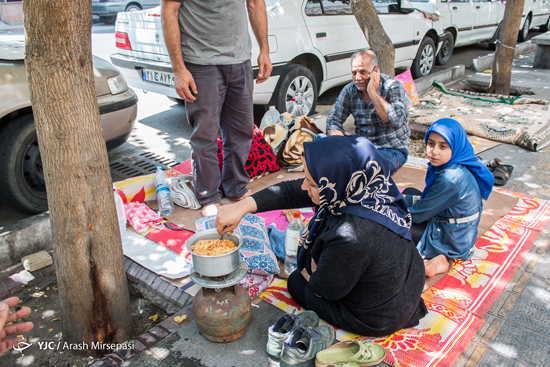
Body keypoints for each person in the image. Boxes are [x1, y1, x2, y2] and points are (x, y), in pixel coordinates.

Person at [216, 135, 427, 337]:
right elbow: (291, 191)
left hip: (378, 316)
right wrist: (243, 206)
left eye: (312, 183)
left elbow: (327, 290)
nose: (303, 186)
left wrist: (311, 274)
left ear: (335, 183)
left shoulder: (350, 235)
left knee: (296, 282)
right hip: (407, 282)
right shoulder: (373, 187)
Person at [161, 0, 273, 216]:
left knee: (241, 131)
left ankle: (235, 187)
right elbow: (169, 11)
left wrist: (264, 50)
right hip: (201, 63)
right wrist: (178, 69)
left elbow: (255, 3)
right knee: (205, 135)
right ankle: (209, 196)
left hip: (240, 60)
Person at [403, 118, 494, 277]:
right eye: (431, 144)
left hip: (451, 239)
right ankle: (437, 258)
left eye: (443, 146)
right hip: (457, 229)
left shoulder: (451, 178)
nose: (434, 151)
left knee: (392, 223)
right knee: (408, 193)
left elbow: (418, 215)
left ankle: (440, 256)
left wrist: (387, 210)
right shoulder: (459, 161)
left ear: (455, 146)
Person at [322, 49, 410, 174]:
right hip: (361, 146)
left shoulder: (393, 87)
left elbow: (395, 120)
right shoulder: (349, 90)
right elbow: (333, 120)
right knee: (319, 141)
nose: (358, 78)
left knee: (371, 166)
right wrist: (340, 144)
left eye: (363, 72)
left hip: (390, 149)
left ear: (375, 70)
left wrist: (372, 92)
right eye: (354, 73)